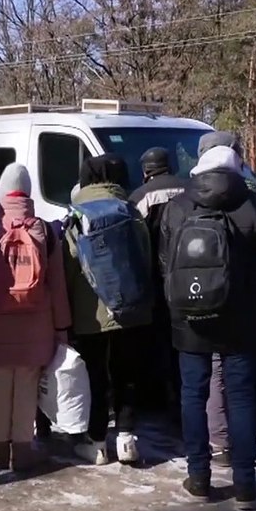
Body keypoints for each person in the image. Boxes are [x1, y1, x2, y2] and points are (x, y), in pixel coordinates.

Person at [160, 143, 256, 510]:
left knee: (193, 394)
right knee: (240, 397)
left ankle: (199, 478)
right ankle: (244, 484)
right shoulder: (254, 206)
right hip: (240, 320)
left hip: (190, 316)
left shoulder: (178, 206)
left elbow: (165, 263)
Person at [0, 162, 71, 472]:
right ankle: (22, 452)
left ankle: (0, 452)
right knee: (26, 388)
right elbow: (58, 284)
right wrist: (62, 326)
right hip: (34, 327)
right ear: (29, 190)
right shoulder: (44, 230)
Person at [64, 153, 153, 465]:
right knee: (126, 373)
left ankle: (98, 442)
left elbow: (70, 264)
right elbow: (145, 256)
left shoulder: (76, 213)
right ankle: (127, 439)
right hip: (130, 309)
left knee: (94, 377)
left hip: (90, 313)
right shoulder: (131, 211)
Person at [129, 146, 188, 427]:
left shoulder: (140, 197)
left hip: (153, 281)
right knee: (183, 344)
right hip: (188, 279)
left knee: (154, 343)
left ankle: (156, 400)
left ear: (145, 171)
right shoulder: (190, 190)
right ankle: (182, 399)